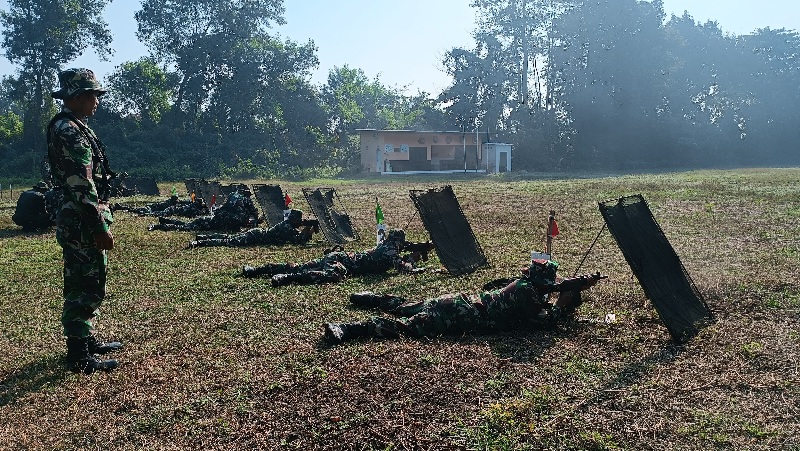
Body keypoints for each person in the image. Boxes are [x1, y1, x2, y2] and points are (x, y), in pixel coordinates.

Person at [323, 259, 605, 344]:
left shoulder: (521, 284)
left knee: (411, 306)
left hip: (460, 299)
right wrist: (565, 302)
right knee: (406, 328)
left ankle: (374, 298)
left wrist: (562, 289)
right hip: (462, 316)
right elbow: (547, 321)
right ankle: (351, 329)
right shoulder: (528, 295)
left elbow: (544, 290)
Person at [47, 68, 121, 373]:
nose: (97, 101)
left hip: (78, 219)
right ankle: (78, 356)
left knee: (87, 281)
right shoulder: (70, 131)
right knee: (84, 285)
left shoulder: (73, 125)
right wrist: (99, 228)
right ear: (76, 98)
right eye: (93, 95)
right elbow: (82, 185)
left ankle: (85, 338)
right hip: (82, 222)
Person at [242, 229, 426, 286]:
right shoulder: (390, 251)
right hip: (343, 262)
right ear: (399, 242)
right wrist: (413, 259)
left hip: (340, 256)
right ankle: (286, 279)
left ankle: (257, 270)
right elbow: (404, 269)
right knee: (331, 275)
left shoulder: (385, 247)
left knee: (299, 265)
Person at [188, 209, 318, 248]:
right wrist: (309, 229)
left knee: (230, 237)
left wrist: (307, 225)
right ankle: (200, 243)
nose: (300, 222)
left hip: (256, 233)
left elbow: (298, 231)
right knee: (229, 242)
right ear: (294, 220)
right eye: (299, 221)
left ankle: (204, 237)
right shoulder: (287, 227)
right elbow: (299, 241)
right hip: (256, 237)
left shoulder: (288, 224)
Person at [147, 191, 259, 232]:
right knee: (186, 227)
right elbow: (252, 218)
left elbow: (219, 210)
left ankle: (166, 221)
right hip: (212, 223)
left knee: (188, 225)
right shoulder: (243, 208)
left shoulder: (233, 200)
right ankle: (160, 226)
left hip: (212, 220)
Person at [113, 194, 208, 217]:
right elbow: (197, 214)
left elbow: (186, 202)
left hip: (164, 208)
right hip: (170, 210)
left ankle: (122, 207)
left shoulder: (191, 206)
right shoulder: (194, 209)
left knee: (145, 211)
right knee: (154, 213)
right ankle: (124, 208)